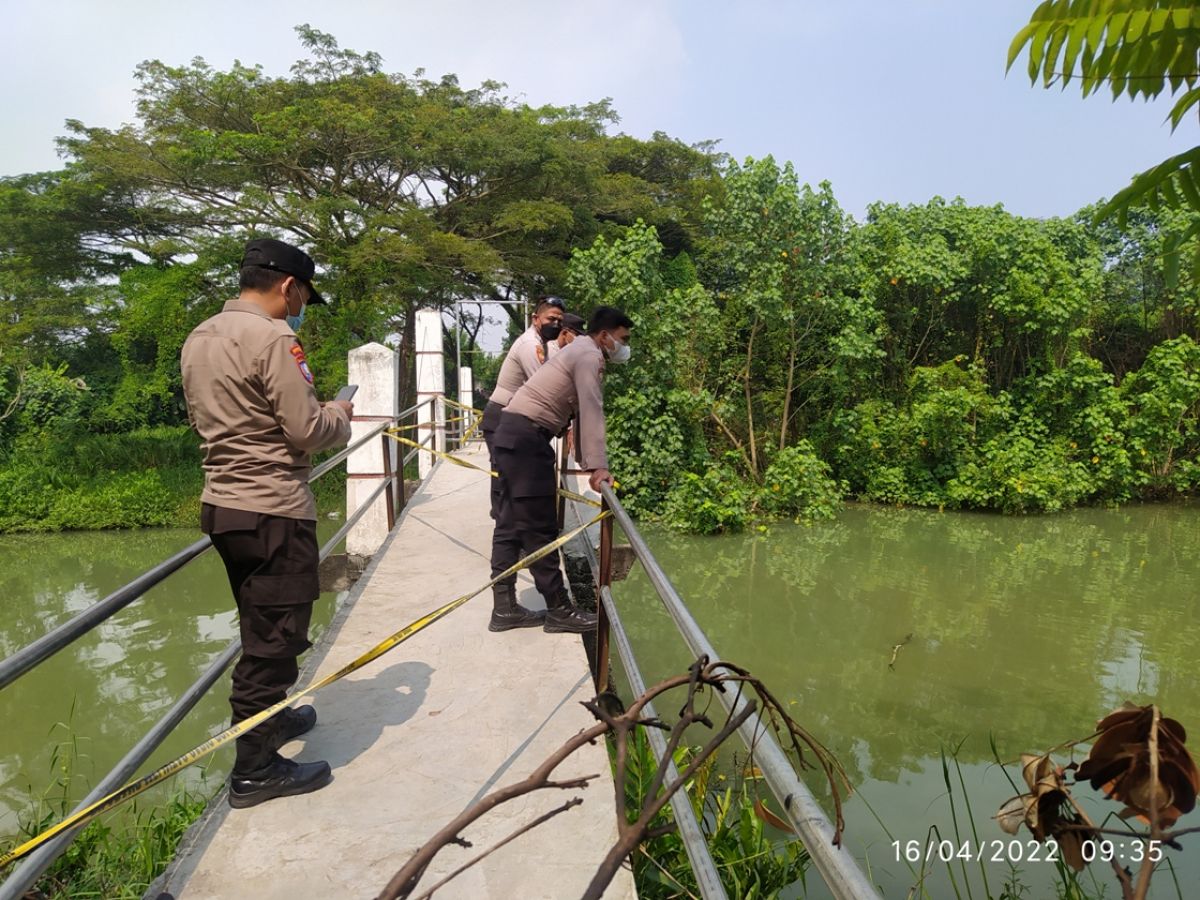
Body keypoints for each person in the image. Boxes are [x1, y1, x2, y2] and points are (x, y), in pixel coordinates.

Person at [181, 238, 353, 808]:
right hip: (272, 506)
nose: (300, 305)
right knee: (274, 643)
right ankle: (255, 770)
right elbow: (305, 428)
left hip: (224, 507)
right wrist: (340, 415)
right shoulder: (275, 337)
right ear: (288, 286)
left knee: (261, 626)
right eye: (303, 295)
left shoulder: (200, 335)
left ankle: (272, 723)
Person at [488, 305, 634, 633]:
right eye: (622, 339)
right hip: (526, 438)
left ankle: (505, 609)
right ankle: (558, 609)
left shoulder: (580, 350)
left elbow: (581, 413)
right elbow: (592, 408)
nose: (624, 347)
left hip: (516, 434)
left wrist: (589, 462)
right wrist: (598, 468)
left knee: (510, 522)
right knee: (540, 527)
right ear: (605, 335)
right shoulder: (589, 355)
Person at [479, 298, 566, 520]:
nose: (555, 324)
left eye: (559, 320)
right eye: (550, 319)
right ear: (535, 319)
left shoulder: (541, 343)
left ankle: (509, 527)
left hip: (509, 417)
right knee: (506, 475)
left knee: (510, 474)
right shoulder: (530, 345)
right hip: (501, 416)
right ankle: (505, 527)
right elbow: (543, 385)